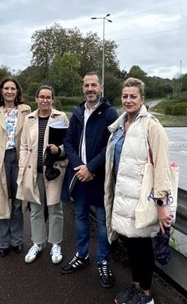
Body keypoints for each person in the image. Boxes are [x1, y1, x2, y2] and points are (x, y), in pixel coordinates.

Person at [104, 78, 175, 304]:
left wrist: (162, 205)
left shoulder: (151, 127)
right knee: (132, 246)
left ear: (142, 99)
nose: (128, 100)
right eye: (125, 96)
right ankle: (135, 287)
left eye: (133, 96)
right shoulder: (119, 125)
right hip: (123, 197)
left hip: (142, 199)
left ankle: (146, 294)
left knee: (143, 247)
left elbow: (162, 167)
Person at [61, 72, 118, 288]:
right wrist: (79, 167)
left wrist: (91, 167)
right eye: (86, 85)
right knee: (81, 217)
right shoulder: (76, 113)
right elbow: (68, 142)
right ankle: (82, 255)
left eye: (94, 85)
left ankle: (103, 260)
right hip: (79, 176)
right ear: (82, 88)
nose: (90, 88)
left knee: (103, 223)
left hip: (99, 177)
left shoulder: (110, 114)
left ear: (101, 88)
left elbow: (110, 146)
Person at [16, 86, 69, 264]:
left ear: (53, 99)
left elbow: (69, 144)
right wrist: (23, 164)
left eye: (48, 97)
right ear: (36, 99)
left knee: (55, 209)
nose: (45, 100)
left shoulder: (61, 117)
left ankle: (55, 244)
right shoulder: (29, 119)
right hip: (33, 171)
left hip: (53, 171)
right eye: (41, 97)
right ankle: (38, 243)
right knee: (36, 210)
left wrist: (58, 149)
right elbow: (23, 145)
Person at [0, 77, 31, 257]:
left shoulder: (25, 111)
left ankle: (16, 240)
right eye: (6, 88)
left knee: (18, 202)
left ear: (17, 91)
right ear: (1, 91)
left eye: (13, 88)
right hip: (0, 159)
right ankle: (3, 242)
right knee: (1, 202)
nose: (9, 91)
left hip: (19, 159)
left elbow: (31, 137)